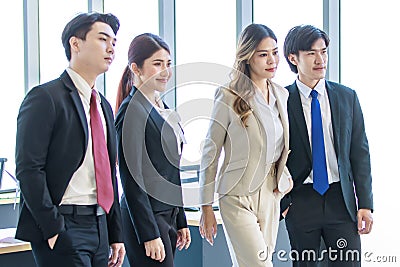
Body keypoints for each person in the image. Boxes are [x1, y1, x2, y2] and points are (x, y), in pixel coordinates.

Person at [15, 12, 125, 267]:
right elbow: (29, 169)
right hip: (64, 223)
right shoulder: (45, 97)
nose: (111, 48)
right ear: (75, 44)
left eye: (114, 42)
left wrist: (114, 232)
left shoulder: (104, 106)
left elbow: (109, 172)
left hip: (100, 225)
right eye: (102, 39)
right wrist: (52, 228)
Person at [199, 24, 293, 267]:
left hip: (271, 193)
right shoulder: (228, 95)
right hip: (236, 194)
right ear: (248, 57)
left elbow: (280, 148)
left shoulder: (282, 94)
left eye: (274, 52)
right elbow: (211, 152)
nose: (272, 60)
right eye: (263, 54)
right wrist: (205, 206)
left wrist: (284, 186)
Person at [281, 24, 373, 266]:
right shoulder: (280, 100)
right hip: (301, 200)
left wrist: (365, 203)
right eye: (311, 53)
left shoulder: (347, 97)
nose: (320, 59)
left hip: (340, 200)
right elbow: (271, 156)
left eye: (323, 51)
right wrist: (283, 204)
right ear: (293, 58)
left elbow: (360, 153)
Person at [115, 33, 191, 267]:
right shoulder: (131, 111)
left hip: (166, 214)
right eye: (157, 64)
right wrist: (148, 233)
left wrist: (181, 219)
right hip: (146, 218)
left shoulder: (161, 107)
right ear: (135, 68)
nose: (166, 71)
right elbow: (131, 178)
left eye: (168, 64)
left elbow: (172, 167)